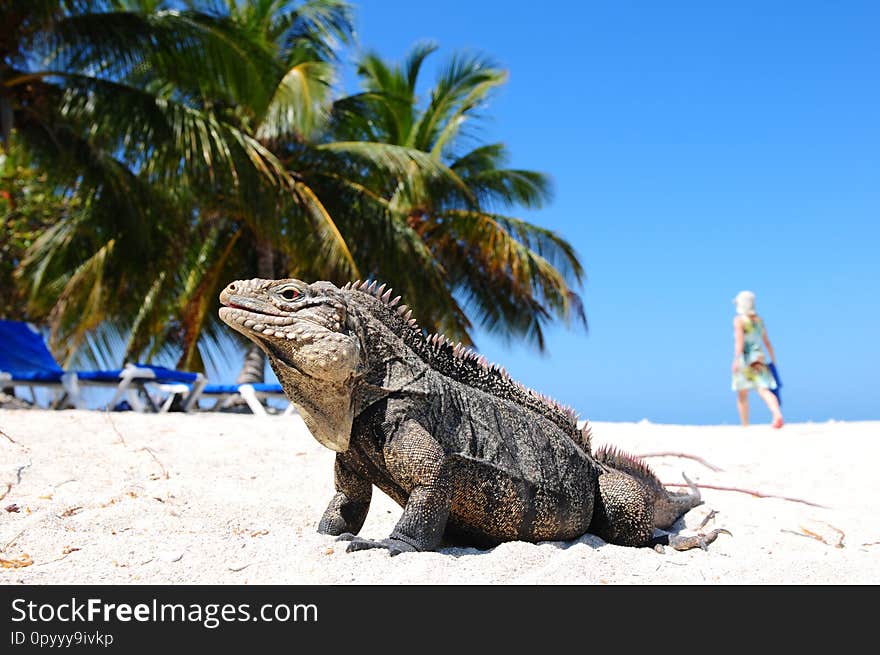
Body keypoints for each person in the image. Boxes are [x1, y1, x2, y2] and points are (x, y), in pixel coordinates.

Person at [731, 290, 784, 428]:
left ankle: (745, 425)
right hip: (760, 358)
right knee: (764, 389)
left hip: (746, 358)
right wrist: (773, 360)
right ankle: (777, 414)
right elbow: (767, 342)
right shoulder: (759, 320)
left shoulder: (739, 320)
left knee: (742, 394)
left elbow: (740, 341)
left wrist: (736, 359)